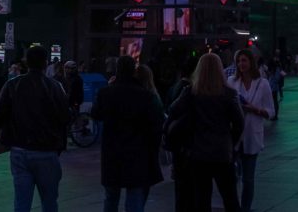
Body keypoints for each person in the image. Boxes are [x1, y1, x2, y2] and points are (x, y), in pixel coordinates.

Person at [0, 45, 69, 212]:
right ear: (45, 63)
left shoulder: (13, 84)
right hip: (47, 150)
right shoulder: (55, 86)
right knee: (49, 202)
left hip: (20, 149)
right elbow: (66, 117)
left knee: (21, 201)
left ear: (26, 62)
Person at [166, 53, 244, 212]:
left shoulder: (191, 93)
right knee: (230, 197)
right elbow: (239, 123)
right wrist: (231, 140)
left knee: (201, 198)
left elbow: (173, 110)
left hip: (198, 151)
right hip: (222, 151)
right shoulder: (228, 94)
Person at [92, 56, 164, 212]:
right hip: (137, 153)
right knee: (135, 198)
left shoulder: (106, 93)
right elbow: (155, 126)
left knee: (111, 197)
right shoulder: (145, 96)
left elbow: (96, 114)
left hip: (112, 152)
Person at [227, 49, 274, 212]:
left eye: (244, 60)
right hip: (234, 135)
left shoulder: (263, 84)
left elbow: (270, 111)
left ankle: (245, 208)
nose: (241, 64)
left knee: (248, 179)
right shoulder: (231, 82)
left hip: (252, 135)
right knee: (231, 176)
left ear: (251, 62)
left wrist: (256, 110)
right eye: (239, 61)